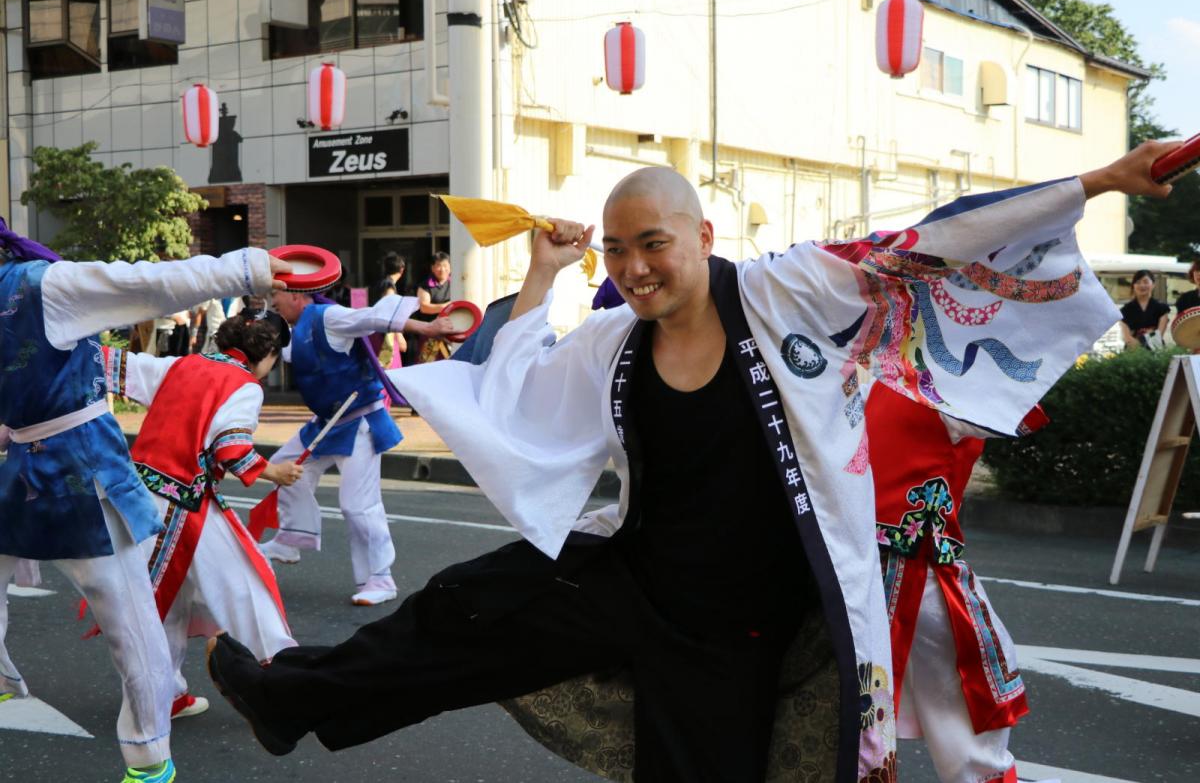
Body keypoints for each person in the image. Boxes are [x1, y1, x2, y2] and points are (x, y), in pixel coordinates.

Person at [207, 142, 1176, 782]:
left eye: (654, 245)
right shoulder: (613, 339)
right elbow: (516, 384)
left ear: (703, 239)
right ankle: (292, 700)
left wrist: (1095, 183)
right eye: (618, 251)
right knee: (459, 605)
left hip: (743, 625)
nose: (633, 267)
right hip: (630, 575)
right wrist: (544, 272)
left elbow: (925, 243)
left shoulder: (785, 292)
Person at [0, 219, 288, 783]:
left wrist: (247, 271)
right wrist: (246, 269)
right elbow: (149, 285)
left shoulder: (47, 288)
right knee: (136, 617)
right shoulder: (40, 284)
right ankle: (150, 754)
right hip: (84, 468)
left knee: (148, 610)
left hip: (37, 469)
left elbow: (136, 320)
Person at [102, 315, 304, 720]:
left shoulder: (181, 363)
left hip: (137, 499)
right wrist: (276, 471)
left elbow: (109, 365)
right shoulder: (245, 386)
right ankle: (284, 681)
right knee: (247, 581)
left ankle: (165, 695)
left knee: (160, 601)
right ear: (264, 354)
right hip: (184, 505)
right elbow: (231, 451)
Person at [866, 381, 1045, 783]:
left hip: (851, 551)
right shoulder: (948, 382)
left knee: (854, 695)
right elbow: (1015, 410)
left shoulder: (872, 365)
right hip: (911, 561)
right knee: (978, 674)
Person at [255, 286, 456, 605]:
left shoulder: (329, 316)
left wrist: (427, 328)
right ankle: (292, 538)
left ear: (296, 295)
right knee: (284, 468)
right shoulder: (297, 330)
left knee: (357, 504)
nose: (273, 302)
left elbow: (373, 317)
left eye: (276, 296)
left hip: (359, 420)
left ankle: (380, 578)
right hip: (326, 423)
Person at [412, 251, 453, 363]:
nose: (442, 269)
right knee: (426, 366)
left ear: (450, 266)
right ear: (432, 268)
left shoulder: (456, 283)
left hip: (451, 333)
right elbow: (424, 307)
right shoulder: (425, 285)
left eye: (445, 265)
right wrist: (446, 306)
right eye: (438, 266)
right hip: (430, 333)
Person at [372, 253, 408, 369]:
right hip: (387, 336)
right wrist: (399, 335)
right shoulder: (389, 286)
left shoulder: (381, 283)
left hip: (376, 330)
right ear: (402, 269)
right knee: (389, 369)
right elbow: (389, 311)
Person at [1119, 269, 1170, 350]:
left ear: (1153, 285)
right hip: (1132, 352)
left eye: (1146, 282)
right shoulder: (1125, 310)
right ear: (1133, 286)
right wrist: (1147, 338)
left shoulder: (1162, 308)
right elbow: (1127, 338)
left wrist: (1143, 342)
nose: (1142, 285)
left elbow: (1159, 335)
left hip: (1156, 351)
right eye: (1138, 282)